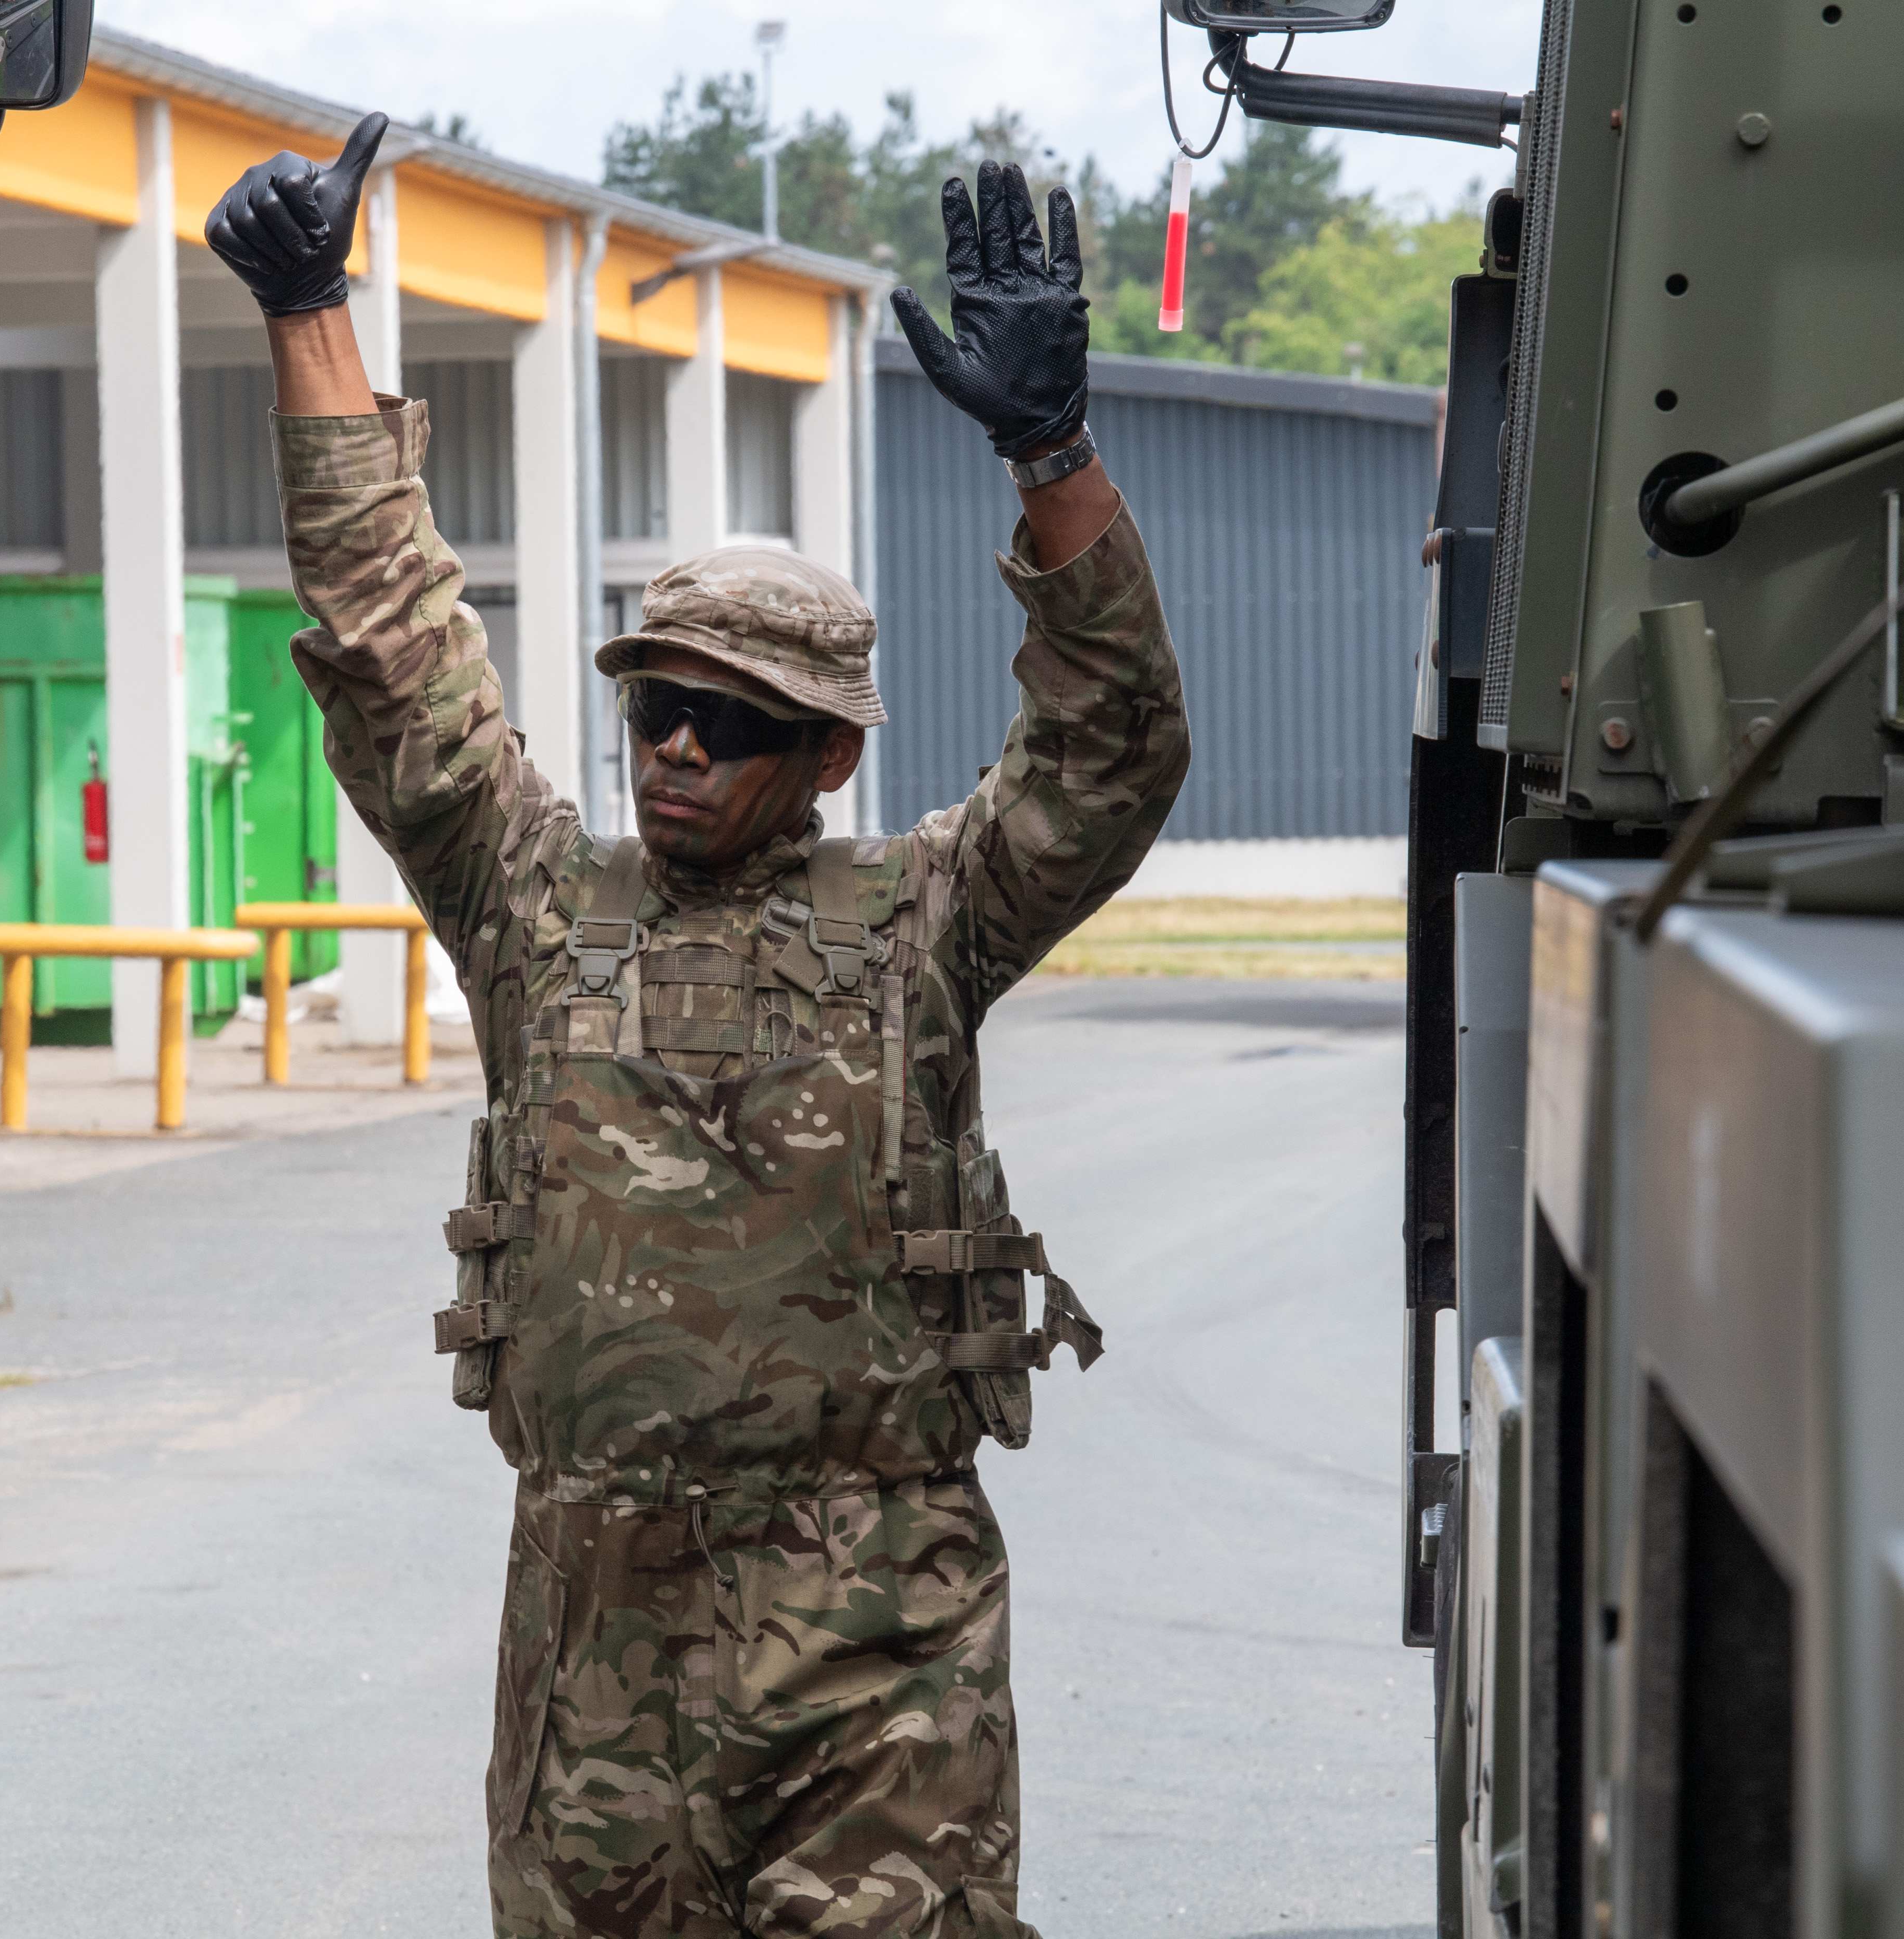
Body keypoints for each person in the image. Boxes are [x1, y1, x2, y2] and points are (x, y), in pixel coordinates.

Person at [206, 111, 1189, 1939]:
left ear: (827, 752)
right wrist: (309, 313)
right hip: (601, 1634)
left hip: (873, 1634)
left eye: (729, 720)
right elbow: (394, 648)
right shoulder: (531, 903)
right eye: (657, 703)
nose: (673, 744)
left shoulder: (922, 921)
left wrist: (1052, 456)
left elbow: (1111, 756)